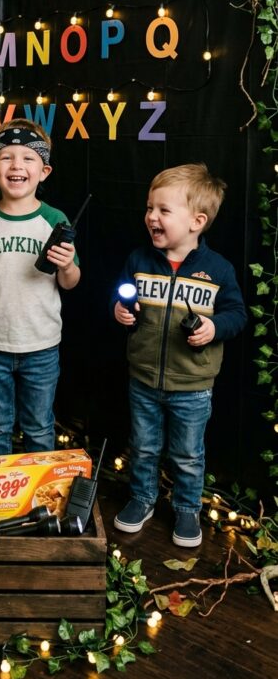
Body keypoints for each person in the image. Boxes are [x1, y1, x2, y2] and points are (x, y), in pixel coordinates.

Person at [112, 163, 247, 548]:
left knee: (187, 453)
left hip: (192, 386)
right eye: (149, 208)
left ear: (196, 221)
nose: (151, 217)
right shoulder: (139, 260)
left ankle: (187, 508)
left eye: (163, 210)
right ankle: (142, 498)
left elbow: (237, 314)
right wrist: (120, 312)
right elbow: (123, 298)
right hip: (143, 378)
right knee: (143, 447)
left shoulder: (218, 269)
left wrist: (213, 328)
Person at [0, 118, 81, 456]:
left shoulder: (54, 220)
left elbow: (70, 282)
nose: (17, 165)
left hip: (41, 344)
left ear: (44, 171)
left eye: (28, 158)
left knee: (39, 425)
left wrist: (68, 265)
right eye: (7, 157)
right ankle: (1, 491)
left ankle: (39, 488)